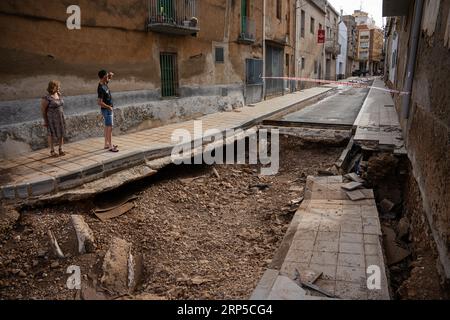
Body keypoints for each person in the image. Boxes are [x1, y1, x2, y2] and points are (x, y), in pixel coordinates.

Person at [41, 80, 66, 157]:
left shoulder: (58, 94)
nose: (59, 87)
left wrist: (59, 95)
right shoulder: (46, 97)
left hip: (60, 118)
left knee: (61, 132)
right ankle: (52, 151)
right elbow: (43, 110)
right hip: (51, 119)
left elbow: (61, 105)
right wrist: (45, 121)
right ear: (53, 87)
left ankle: (60, 149)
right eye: (58, 86)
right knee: (51, 134)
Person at [97, 70, 119, 152]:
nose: (108, 77)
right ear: (103, 77)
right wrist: (108, 107)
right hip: (107, 110)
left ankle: (106, 144)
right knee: (110, 128)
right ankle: (110, 146)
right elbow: (99, 102)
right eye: (106, 76)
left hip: (108, 109)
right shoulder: (100, 88)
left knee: (107, 127)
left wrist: (110, 75)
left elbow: (109, 78)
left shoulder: (105, 83)